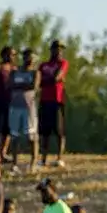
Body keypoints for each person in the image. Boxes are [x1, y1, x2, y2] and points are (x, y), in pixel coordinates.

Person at [8, 48, 41, 171]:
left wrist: (19, 86)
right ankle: (14, 163)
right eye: (27, 57)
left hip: (29, 107)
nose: (29, 60)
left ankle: (33, 162)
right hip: (15, 106)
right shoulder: (14, 72)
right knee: (14, 136)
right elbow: (10, 85)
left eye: (32, 57)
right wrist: (23, 86)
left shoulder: (35, 73)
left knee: (31, 136)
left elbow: (33, 86)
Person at [38, 40, 68, 168]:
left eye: (61, 49)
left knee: (59, 130)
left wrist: (47, 80)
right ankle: (43, 158)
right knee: (45, 131)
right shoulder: (43, 65)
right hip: (45, 99)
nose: (59, 51)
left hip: (57, 100)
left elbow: (57, 77)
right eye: (56, 48)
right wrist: (48, 80)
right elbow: (38, 81)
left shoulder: (63, 63)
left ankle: (59, 157)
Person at [0, 47, 15, 162]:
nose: (12, 57)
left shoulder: (15, 69)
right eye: (10, 54)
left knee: (8, 130)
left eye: (14, 55)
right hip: (0, 100)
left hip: (11, 101)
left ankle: (3, 153)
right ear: (4, 55)